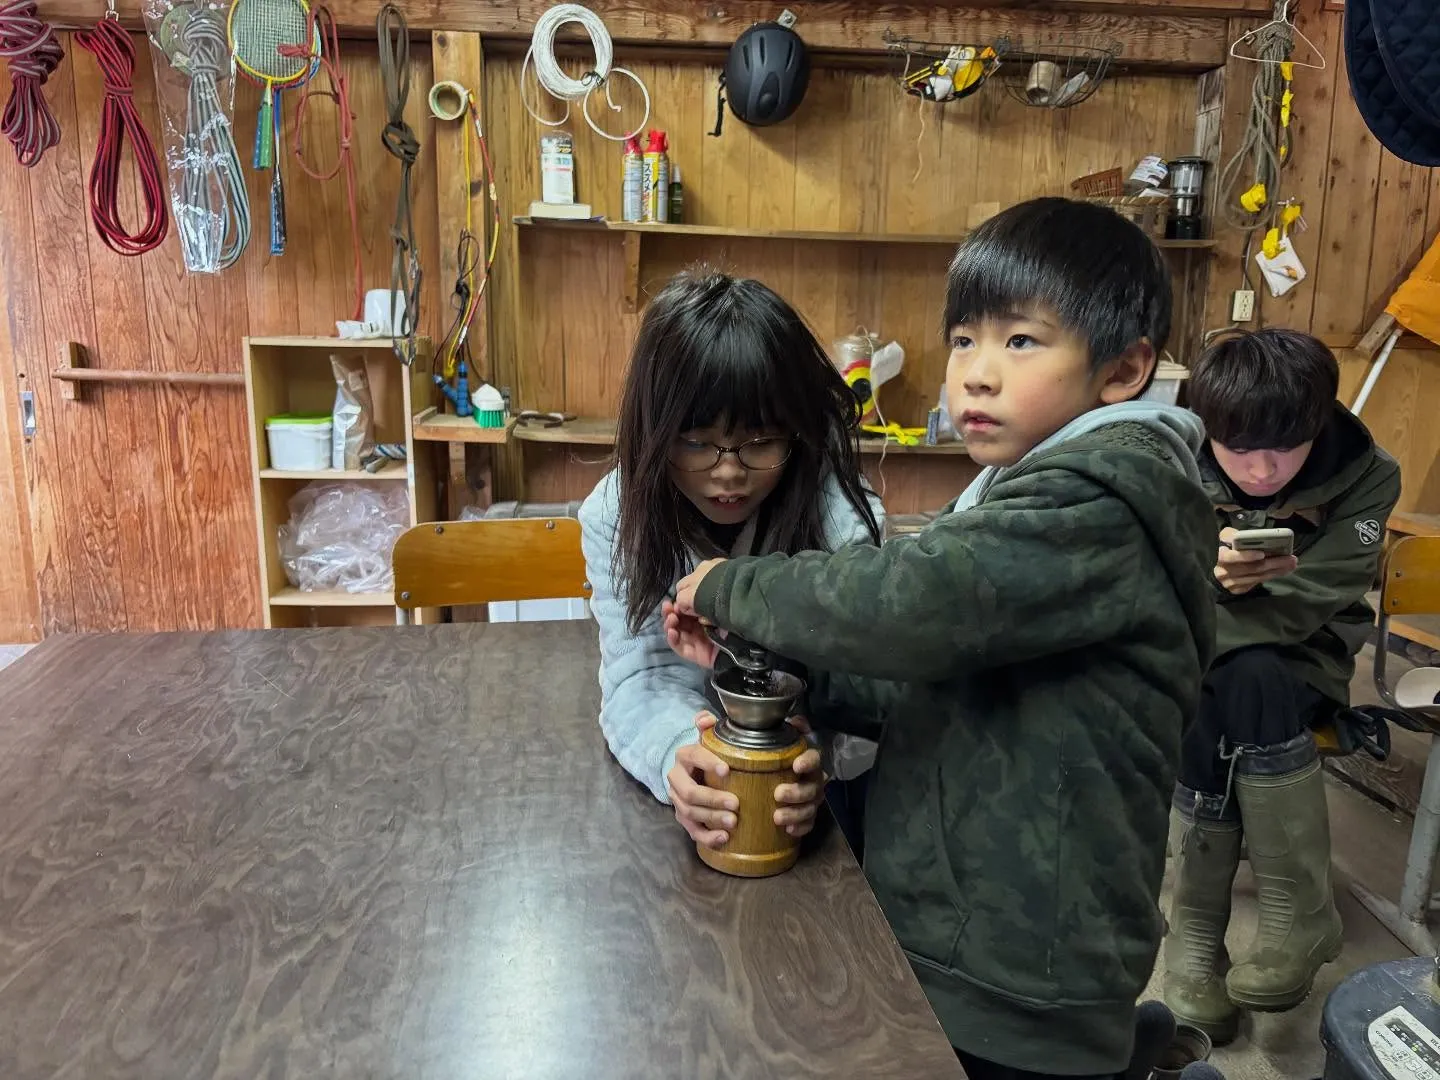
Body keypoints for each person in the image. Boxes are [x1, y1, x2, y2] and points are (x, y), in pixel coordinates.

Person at [665, 198, 1219, 1080]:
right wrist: (795, 677)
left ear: (1124, 369)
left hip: (1027, 959)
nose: (976, 375)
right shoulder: (1019, 496)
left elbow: (916, 602)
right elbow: (925, 674)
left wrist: (734, 587)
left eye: (1021, 342)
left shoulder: (1101, 503)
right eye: (964, 340)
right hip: (967, 925)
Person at [579, 268, 884, 853]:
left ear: (799, 432)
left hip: (824, 794)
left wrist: (814, 756)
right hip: (696, 781)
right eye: (695, 442)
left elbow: (867, 682)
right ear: (652, 431)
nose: (727, 471)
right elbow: (641, 674)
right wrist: (680, 756)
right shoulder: (616, 514)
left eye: (760, 442)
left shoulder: (840, 516)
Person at [1162, 328, 1401, 1043]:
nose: (1262, 470)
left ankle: (1194, 939)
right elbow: (1137, 570)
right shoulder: (1167, 454)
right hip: (1202, 654)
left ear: (1319, 422)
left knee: (1242, 672)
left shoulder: (1368, 472)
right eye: (1239, 448)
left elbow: (1317, 599)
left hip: (1308, 656)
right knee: (1233, 677)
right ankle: (1295, 913)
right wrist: (1200, 576)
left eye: (1285, 447)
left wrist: (1194, 620)